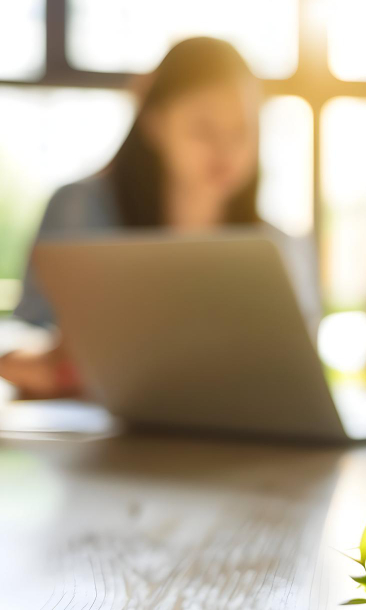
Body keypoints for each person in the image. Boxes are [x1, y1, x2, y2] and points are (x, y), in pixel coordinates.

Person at [0, 37, 319, 399]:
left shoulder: (278, 245)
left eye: (241, 131)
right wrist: (38, 361)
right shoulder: (80, 208)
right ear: (154, 123)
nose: (225, 150)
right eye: (204, 129)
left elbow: (301, 368)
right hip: (94, 430)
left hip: (236, 434)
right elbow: (24, 331)